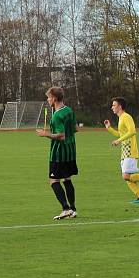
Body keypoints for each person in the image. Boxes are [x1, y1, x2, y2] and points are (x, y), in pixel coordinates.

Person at [104, 97, 139, 204]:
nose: (112, 107)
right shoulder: (121, 118)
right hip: (125, 151)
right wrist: (109, 129)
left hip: (130, 150)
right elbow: (122, 134)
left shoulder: (126, 117)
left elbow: (132, 131)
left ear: (120, 106)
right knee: (128, 177)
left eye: (114, 105)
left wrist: (118, 141)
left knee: (126, 176)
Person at [36, 87, 78, 220]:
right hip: (70, 151)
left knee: (53, 181)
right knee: (67, 179)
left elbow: (61, 136)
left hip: (59, 153)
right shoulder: (69, 111)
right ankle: (73, 209)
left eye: (48, 97)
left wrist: (45, 134)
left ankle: (65, 209)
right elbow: (76, 129)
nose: (48, 100)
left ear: (54, 98)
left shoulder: (57, 115)